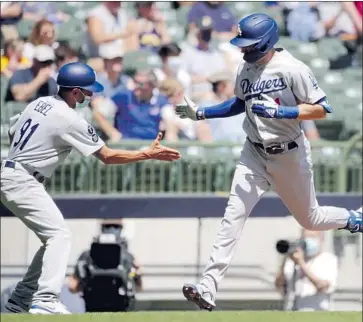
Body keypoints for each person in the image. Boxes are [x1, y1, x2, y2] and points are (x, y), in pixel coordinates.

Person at [174, 13, 363, 311]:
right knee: (232, 219)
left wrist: (283, 113)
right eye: (242, 45)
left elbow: (322, 109)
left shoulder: (292, 68)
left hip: (289, 153)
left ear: (266, 42)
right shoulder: (246, 66)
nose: (243, 50)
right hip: (253, 152)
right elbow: (239, 102)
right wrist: (202, 113)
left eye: (249, 45)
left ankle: (353, 219)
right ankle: (208, 288)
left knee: (309, 219)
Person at [1, 62, 180, 314]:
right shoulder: (68, 117)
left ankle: (21, 297)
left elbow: (12, 129)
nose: (90, 95)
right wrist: (146, 154)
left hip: (11, 171)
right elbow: (106, 156)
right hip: (23, 179)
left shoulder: (38, 103)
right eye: (87, 91)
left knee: (51, 239)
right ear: (74, 92)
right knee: (59, 236)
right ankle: (46, 299)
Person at [275, 229, 338, 311]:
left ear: (321, 239)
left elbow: (322, 286)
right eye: (305, 237)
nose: (307, 240)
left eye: (312, 237)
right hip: (292, 313)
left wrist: (301, 264)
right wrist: (285, 259)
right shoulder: (292, 260)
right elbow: (279, 285)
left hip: (316, 313)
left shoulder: (328, 259)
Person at [111, 70, 172, 140]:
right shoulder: (123, 96)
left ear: (153, 85)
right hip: (126, 145)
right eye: (135, 82)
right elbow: (99, 113)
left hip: (150, 145)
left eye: (141, 84)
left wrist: (170, 139)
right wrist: (113, 133)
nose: (136, 86)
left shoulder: (161, 101)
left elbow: (170, 124)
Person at [91, 44, 133, 142]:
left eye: (119, 59)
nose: (117, 62)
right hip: (103, 124)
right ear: (106, 62)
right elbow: (97, 107)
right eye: (114, 60)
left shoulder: (126, 80)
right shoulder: (97, 81)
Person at [180, 16, 228, 102]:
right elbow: (184, 77)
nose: (207, 35)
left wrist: (205, 78)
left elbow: (223, 77)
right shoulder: (188, 53)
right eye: (204, 32)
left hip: (216, 95)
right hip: (195, 95)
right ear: (198, 33)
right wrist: (209, 78)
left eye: (208, 32)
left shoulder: (217, 54)